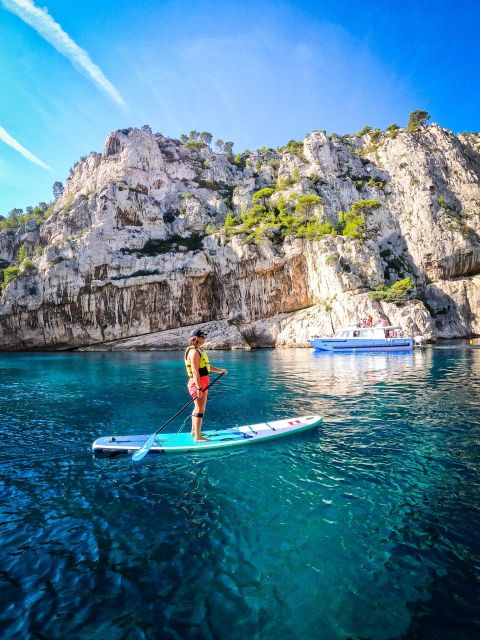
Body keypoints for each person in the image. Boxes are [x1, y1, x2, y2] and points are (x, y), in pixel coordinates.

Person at [184, 329, 228, 442]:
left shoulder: (199, 350)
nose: (205, 338)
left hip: (202, 381)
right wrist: (198, 387)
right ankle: (198, 437)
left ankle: (194, 431)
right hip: (197, 383)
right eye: (203, 336)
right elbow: (195, 371)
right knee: (199, 409)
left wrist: (220, 371)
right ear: (197, 338)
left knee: (199, 407)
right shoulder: (194, 352)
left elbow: (206, 367)